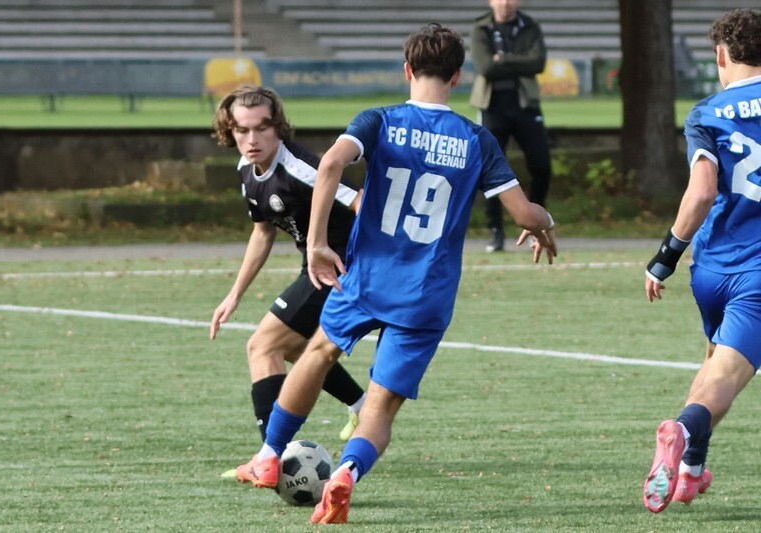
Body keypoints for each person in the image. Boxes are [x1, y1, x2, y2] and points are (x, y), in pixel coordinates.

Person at [232, 24, 557, 524]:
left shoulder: (379, 120)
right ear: (457, 76)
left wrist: (316, 243)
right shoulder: (477, 139)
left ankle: (269, 455)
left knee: (316, 353)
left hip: (367, 277)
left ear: (407, 70)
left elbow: (330, 165)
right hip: (426, 293)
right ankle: (346, 473)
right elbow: (523, 214)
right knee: (380, 407)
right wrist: (544, 223)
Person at [208, 85, 367, 478]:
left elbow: (359, 202)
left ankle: (268, 459)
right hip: (315, 266)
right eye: (242, 130)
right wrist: (234, 294)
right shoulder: (247, 169)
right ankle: (361, 407)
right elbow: (262, 232)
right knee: (298, 347)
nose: (252, 138)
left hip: (343, 266)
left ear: (278, 127)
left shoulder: (300, 167)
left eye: (262, 128)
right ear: (229, 132)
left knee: (262, 346)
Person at [642, 8, 761, 514]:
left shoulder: (707, 112)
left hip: (712, 268)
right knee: (727, 378)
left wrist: (665, 256)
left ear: (720, 55)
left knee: (714, 362)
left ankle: (690, 472)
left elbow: (702, 191)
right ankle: (682, 431)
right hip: (757, 272)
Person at [470, 0, 552, 251]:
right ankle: (496, 231)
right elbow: (485, 66)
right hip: (492, 106)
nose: (505, 3)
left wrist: (503, 59)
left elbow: (537, 63)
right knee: (490, 169)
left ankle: (535, 224)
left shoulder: (530, 26)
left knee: (541, 166)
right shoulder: (481, 28)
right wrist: (518, 62)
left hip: (525, 104)